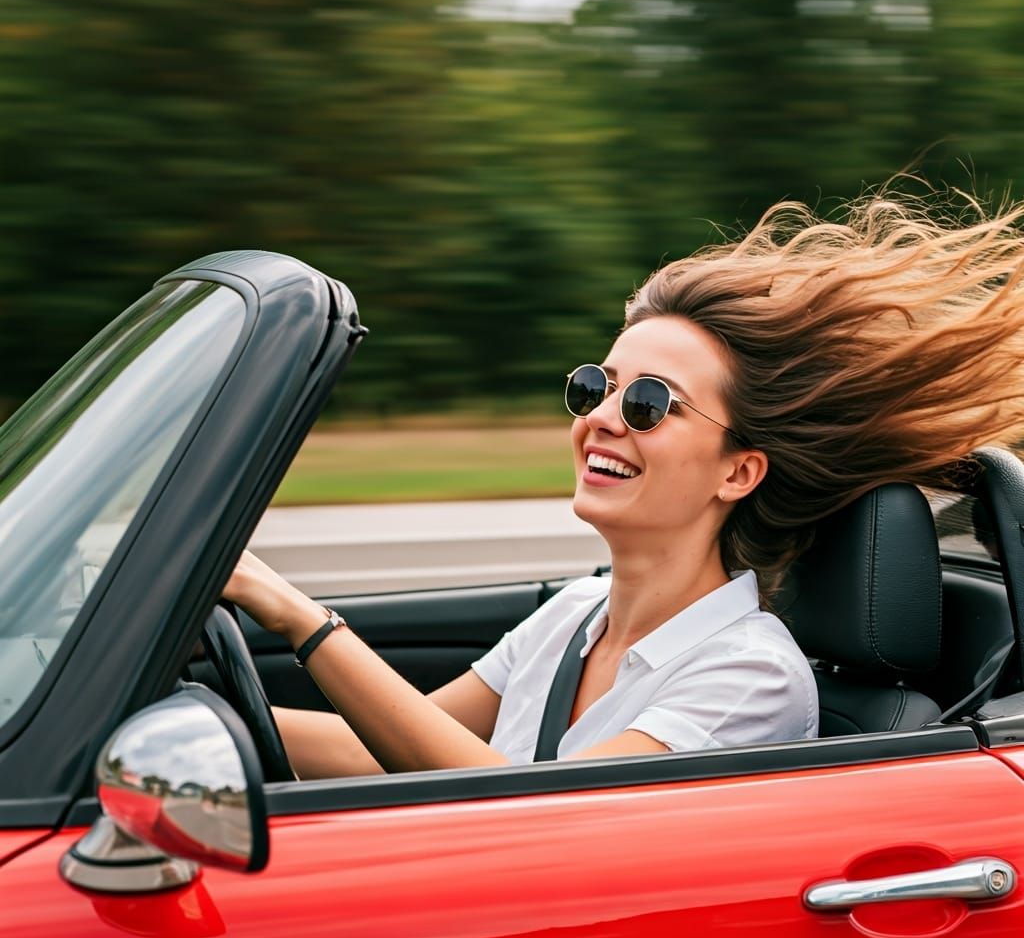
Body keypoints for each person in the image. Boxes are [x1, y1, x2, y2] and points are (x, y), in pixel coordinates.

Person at [225, 189, 1024, 778]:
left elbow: (536, 814)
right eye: (594, 387)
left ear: (739, 472)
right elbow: (390, 748)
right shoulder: (576, 614)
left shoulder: (749, 673)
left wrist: (300, 617)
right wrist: (211, 721)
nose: (602, 417)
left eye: (648, 405)